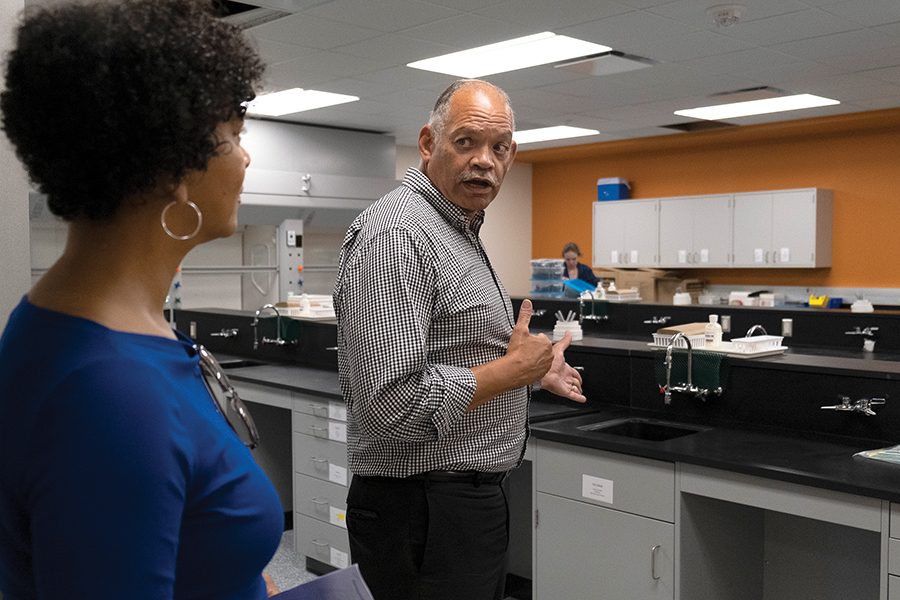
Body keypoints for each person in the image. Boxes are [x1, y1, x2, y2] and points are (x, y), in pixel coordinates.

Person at [0, 1, 284, 598]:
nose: (246, 157)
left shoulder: (67, 322)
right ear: (176, 167)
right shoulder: (108, 394)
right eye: (234, 137)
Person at [333, 79, 586, 600]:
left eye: (499, 148)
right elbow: (391, 403)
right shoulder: (398, 235)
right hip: (421, 509)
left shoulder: (456, 230)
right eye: (466, 142)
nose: (484, 162)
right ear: (429, 143)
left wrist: (530, 370)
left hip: (459, 506)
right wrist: (509, 372)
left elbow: (462, 356)